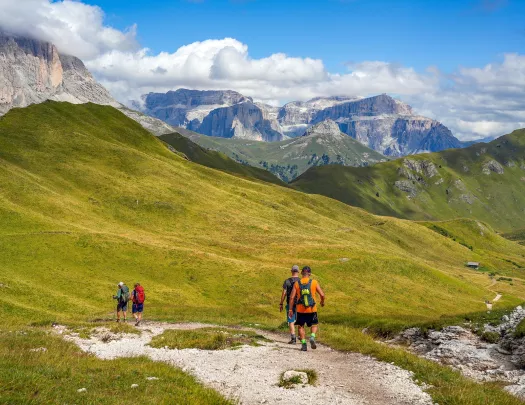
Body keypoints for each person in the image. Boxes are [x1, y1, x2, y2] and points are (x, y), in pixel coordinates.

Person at [288, 266, 325, 352]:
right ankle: (312, 337)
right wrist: (322, 302)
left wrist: (290, 309)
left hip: (300, 310)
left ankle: (304, 344)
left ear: (301, 273)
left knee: (301, 326)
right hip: (312, 309)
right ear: (310, 274)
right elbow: (322, 295)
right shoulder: (314, 282)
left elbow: (292, 297)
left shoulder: (297, 284)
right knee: (314, 324)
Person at [279, 265, 300, 344]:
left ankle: (293, 338)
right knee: (300, 320)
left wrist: (281, 303)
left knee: (291, 321)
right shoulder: (301, 281)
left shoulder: (287, 281)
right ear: (298, 271)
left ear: (291, 271)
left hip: (290, 304)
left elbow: (284, 293)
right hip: (300, 304)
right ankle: (301, 336)